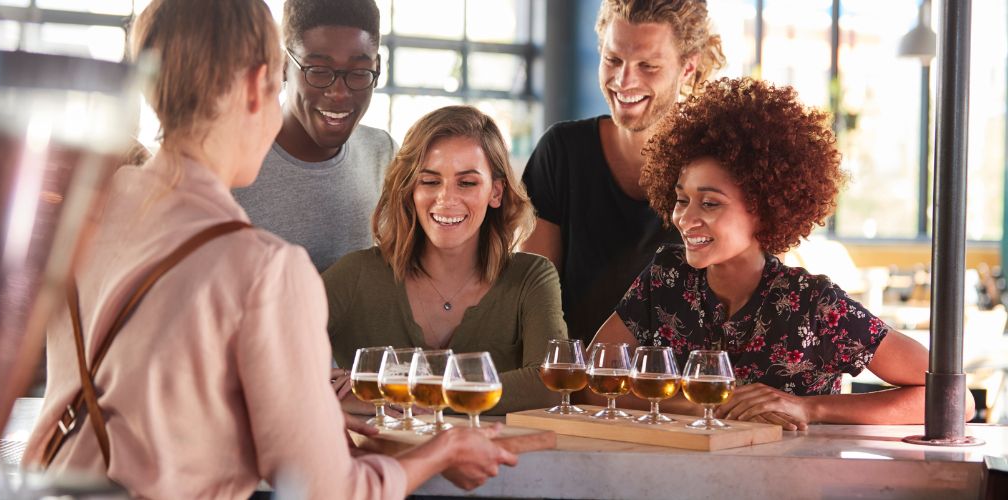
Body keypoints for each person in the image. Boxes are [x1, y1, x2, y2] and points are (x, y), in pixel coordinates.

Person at [22, 1, 515, 497]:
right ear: (264, 81)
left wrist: (316, 430)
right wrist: (441, 452)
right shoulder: (266, 270)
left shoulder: (87, 213)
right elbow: (327, 492)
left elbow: (161, 408)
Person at [588, 77, 975, 429]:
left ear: (763, 208)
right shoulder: (665, 278)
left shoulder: (814, 304)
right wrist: (709, 406)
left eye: (710, 204)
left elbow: (957, 403)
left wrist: (809, 408)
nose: (685, 218)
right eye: (681, 199)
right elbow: (594, 380)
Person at [323, 105, 567, 415]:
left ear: (496, 192)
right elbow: (265, 353)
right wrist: (327, 389)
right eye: (429, 181)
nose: (446, 199)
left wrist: (397, 392)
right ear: (410, 188)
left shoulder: (532, 277)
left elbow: (548, 384)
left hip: (499, 463)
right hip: (383, 462)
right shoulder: (356, 274)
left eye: (466, 183)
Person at [521, 0, 726, 344]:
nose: (624, 81)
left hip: (680, 390)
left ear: (687, 69)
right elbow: (532, 296)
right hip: (575, 384)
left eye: (648, 65)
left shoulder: (723, 165)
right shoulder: (562, 152)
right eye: (613, 60)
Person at [233, 0, 396, 272]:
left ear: (377, 68)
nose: (339, 93)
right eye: (319, 71)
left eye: (358, 73)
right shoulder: (230, 165)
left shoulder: (384, 156)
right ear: (284, 64)